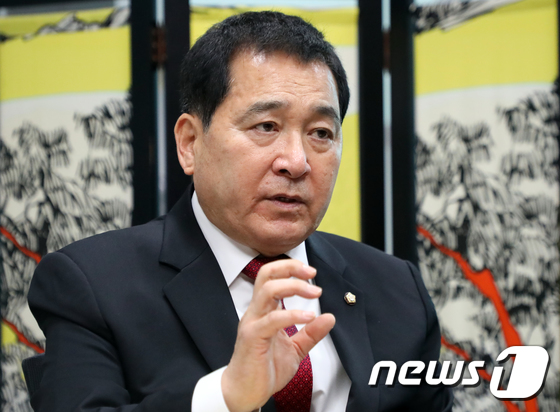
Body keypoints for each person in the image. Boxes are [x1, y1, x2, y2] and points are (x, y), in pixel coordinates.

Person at [28, 11, 453, 412]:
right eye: (266, 126)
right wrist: (226, 396)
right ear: (190, 143)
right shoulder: (92, 285)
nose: (296, 162)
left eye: (321, 133)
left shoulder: (398, 291)